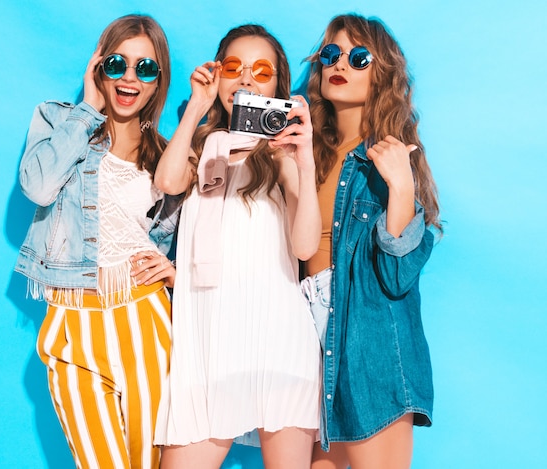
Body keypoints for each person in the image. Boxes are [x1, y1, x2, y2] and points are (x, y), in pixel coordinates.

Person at [146, 24, 322, 469]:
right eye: (233, 67)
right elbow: (167, 182)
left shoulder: (281, 153)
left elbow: (304, 248)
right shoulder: (205, 147)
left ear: (279, 87)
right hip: (207, 347)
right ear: (217, 75)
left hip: (279, 341)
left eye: (261, 72)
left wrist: (304, 158)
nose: (245, 80)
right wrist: (196, 109)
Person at [14, 14, 179, 469]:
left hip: (144, 319)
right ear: (98, 66)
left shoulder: (166, 155)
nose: (130, 77)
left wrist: (176, 272)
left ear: (158, 80)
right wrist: (87, 110)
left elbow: (188, 237)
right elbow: (38, 186)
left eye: (145, 69)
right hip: (72, 325)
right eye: (117, 63)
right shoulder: (58, 119)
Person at [302, 13, 443, 469]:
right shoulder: (309, 151)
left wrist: (402, 189)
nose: (340, 63)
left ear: (381, 74)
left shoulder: (385, 159)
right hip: (304, 333)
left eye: (358, 57)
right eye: (331, 54)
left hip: (367, 342)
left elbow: (397, 275)